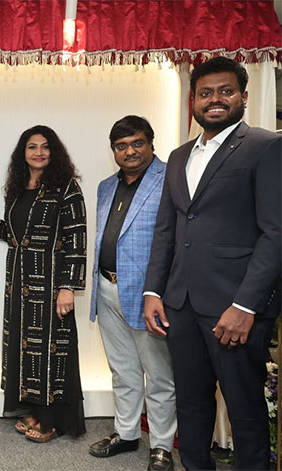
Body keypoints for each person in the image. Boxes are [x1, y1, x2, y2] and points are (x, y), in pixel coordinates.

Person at [143, 56, 281, 470]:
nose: (215, 99)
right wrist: (153, 291)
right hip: (181, 306)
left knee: (245, 409)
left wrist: (245, 306)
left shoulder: (266, 147)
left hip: (233, 308)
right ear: (194, 101)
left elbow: (275, 233)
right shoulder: (179, 156)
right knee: (190, 403)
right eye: (205, 93)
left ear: (244, 97)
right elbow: (166, 230)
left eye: (225, 91)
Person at [0, 125, 87, 443]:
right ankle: (34, 410)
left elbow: (76, 238)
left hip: (50, 285)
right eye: (32, 147)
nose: (39, 152)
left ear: (54, 151)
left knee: (50, 351)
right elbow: (15, 236)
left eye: (45, 146)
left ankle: (52, 421)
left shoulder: (66, 188)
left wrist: (68, 287)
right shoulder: (19, 189)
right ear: (23, 153)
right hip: (19, 285)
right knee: (26, 351)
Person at [88, 116, 174, 471]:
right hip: (107, 288)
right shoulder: (106, 186)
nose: (130, 152)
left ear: (151, 143)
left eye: (137, 143)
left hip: (149, 295)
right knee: (122, 370)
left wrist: (162, 290)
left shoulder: (171, 179)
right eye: (121, 146)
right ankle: (126, 434)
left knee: (159, 375)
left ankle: (162, 445)